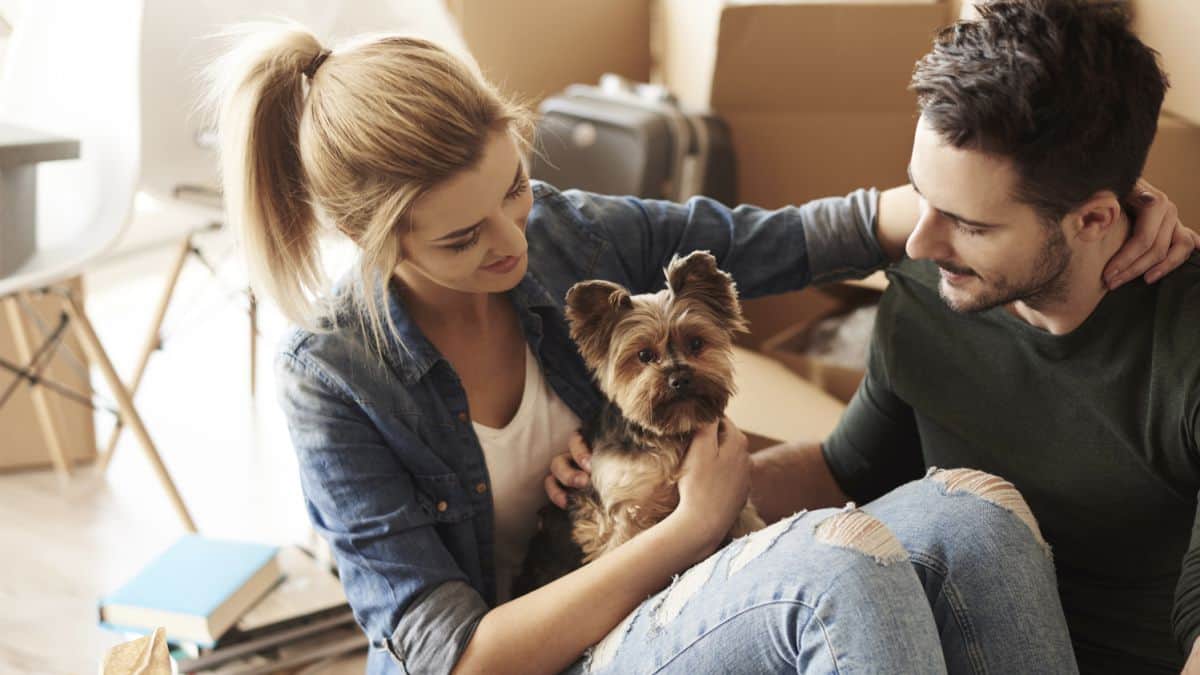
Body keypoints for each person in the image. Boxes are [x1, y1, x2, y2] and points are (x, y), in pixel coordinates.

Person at [207, 16, 1192, 675]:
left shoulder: (565, 232)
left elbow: (802, 237)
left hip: (665, 570)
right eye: (464, 238)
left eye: (515, 189)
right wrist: (690, 524)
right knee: (834, 568)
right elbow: (456, 659)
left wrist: (1095, 202)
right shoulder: (334, 380)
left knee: (973, 511)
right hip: (546, 648)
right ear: (375, 239)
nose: (513, 242)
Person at [568, 1, 1197, 672]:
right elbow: (846, 470)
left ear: (1094, 220)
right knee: (956, 515)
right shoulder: (930, 290)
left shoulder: (1181, 344)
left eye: (970, 224)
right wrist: (647, 488)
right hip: (914, 644)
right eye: (921, 197)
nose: (918, 243)